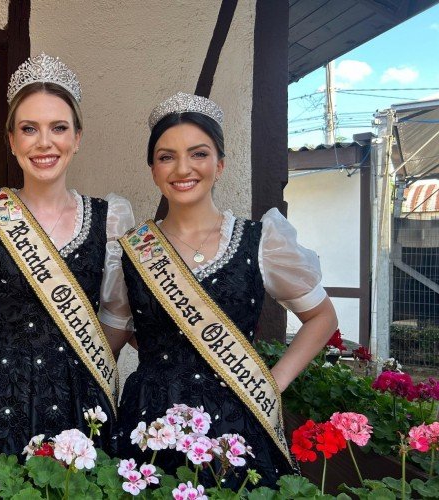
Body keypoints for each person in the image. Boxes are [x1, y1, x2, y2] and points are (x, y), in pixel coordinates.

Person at [113, 93, 338, 488]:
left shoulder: (261, 240)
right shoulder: (133, 250)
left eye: (198, 154)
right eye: (166, 156)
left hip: (237, 416)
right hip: (151, 420)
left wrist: (275, 380)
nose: (183, 168)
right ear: (152, 168)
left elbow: (322, 317)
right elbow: (118, 329)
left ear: (220, 164)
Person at [0, 53, 135, 463]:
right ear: (12, 141)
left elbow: (118, 312)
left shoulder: (110, 219)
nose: (44, 142)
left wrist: (84, 365)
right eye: (29, 129)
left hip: (84, 395)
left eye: (58, 128)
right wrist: (8, 361)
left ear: (77, 138)